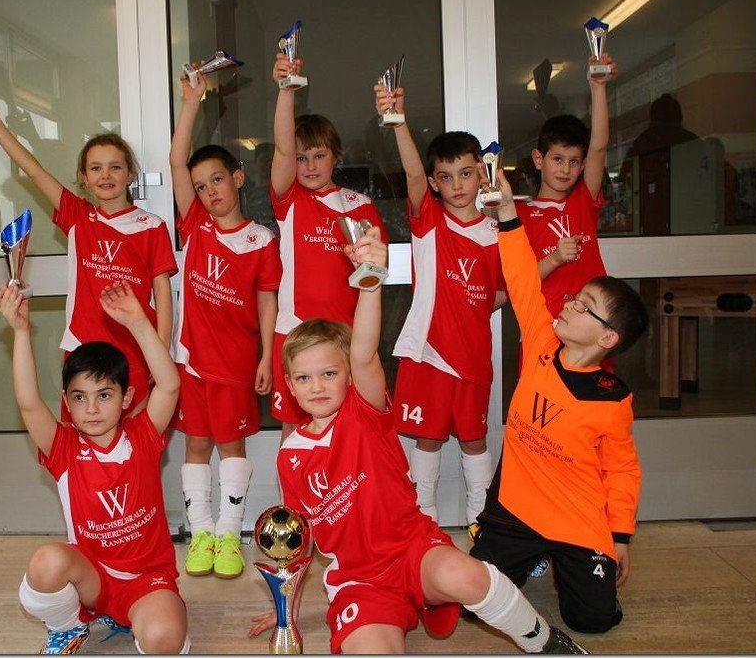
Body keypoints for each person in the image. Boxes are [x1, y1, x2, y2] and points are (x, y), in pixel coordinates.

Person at [250, 227, 586, 655]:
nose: (316, 386)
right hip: (360, 582)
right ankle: (402, 613)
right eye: (303, 378)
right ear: (289, 386)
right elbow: (300, 541)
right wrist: (288, 608)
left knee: (466, 576)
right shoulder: (290, 458)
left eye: (329, 373)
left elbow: (364, 351)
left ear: (348, 376)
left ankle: (543, 641)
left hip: (414, 551)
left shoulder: (363, 412)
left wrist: (370, 281)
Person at [470, 168, 647, 635]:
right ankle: (526, 555)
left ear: (607, 338)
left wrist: (619, 537)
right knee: (474, 602)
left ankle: (563, 560)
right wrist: (508, 212)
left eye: (584, 306)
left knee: (593, 620)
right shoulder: (541, 341)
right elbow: (522, 279)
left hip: (577, 518)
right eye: (575, 298)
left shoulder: (614, 399)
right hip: (515, 507)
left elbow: (622, 470)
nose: (569, 304)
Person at [0, 280, 188, 654]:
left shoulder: (143, 436)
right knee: (46, 563)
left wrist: (139, 323)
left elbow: (169, 386)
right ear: (67, 403)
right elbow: (29, 402)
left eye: (104, 395)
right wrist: (20, 331)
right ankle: (68, 625)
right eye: (80, 398)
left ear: (126, 398)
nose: (93, 408)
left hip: (147, 579)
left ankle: (141, 614)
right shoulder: (64, 448)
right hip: (92, 579)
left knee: (163, 640)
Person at [0, 96, 177, 414]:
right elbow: (33, 170)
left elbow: (163, 292)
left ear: (130, 174)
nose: (105, 175)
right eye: (95, 168)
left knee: (136, 439)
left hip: (137, 352)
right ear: (84, 177)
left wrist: (160, 351)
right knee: (82, 436)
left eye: (115, 167)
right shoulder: (78, 217)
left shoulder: (152, 226)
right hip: (82, 349)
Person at [374, 83, 507, 529]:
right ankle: (424, 522)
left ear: (482, 175)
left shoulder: (497, 232)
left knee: (474, 440)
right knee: (427, 441)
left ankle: (481, 522)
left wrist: (475, 305)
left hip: (473, 358)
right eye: (445, 177)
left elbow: (504, 291)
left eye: (466, 173)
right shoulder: (428, 221)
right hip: (428, 354)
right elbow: (412, 175)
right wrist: (398, 121)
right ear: (434, 183)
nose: (457, 185)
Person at [169, 71, 283, 579]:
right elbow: (177, 159)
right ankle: (202, 535)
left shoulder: (262, 240)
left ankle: (230, 533)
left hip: (236, 363)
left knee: (232, 446)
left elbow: (266, 302)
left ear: (237, 178)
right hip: (191, 360)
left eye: (216, 179)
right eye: (200, 187)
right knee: (196, 445)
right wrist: (191, 101)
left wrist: (266, 357)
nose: (209, 191)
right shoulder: (195, 225)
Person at [268, 50, 387, 441]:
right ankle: (296, 485)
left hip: (346, 335)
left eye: (319, 155)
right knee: (295, 427)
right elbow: (282, 149)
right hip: (293, 330)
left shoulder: (359, 205)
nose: (309, 166)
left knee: (351, 425)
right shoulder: (289, 199)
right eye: (301, 157)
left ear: (336, 156)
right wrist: (286, 90)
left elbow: (374, 273)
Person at [518, 52, 618, 324]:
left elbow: (598, 147)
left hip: (591, 326)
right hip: (545, 327)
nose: (565, 169)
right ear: (538, 159)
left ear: (582, 165)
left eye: (574, 161)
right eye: (558, 159)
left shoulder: (583, 200)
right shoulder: (518, 215)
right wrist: (555, 258)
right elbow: (519, 283)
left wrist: (598, 87)